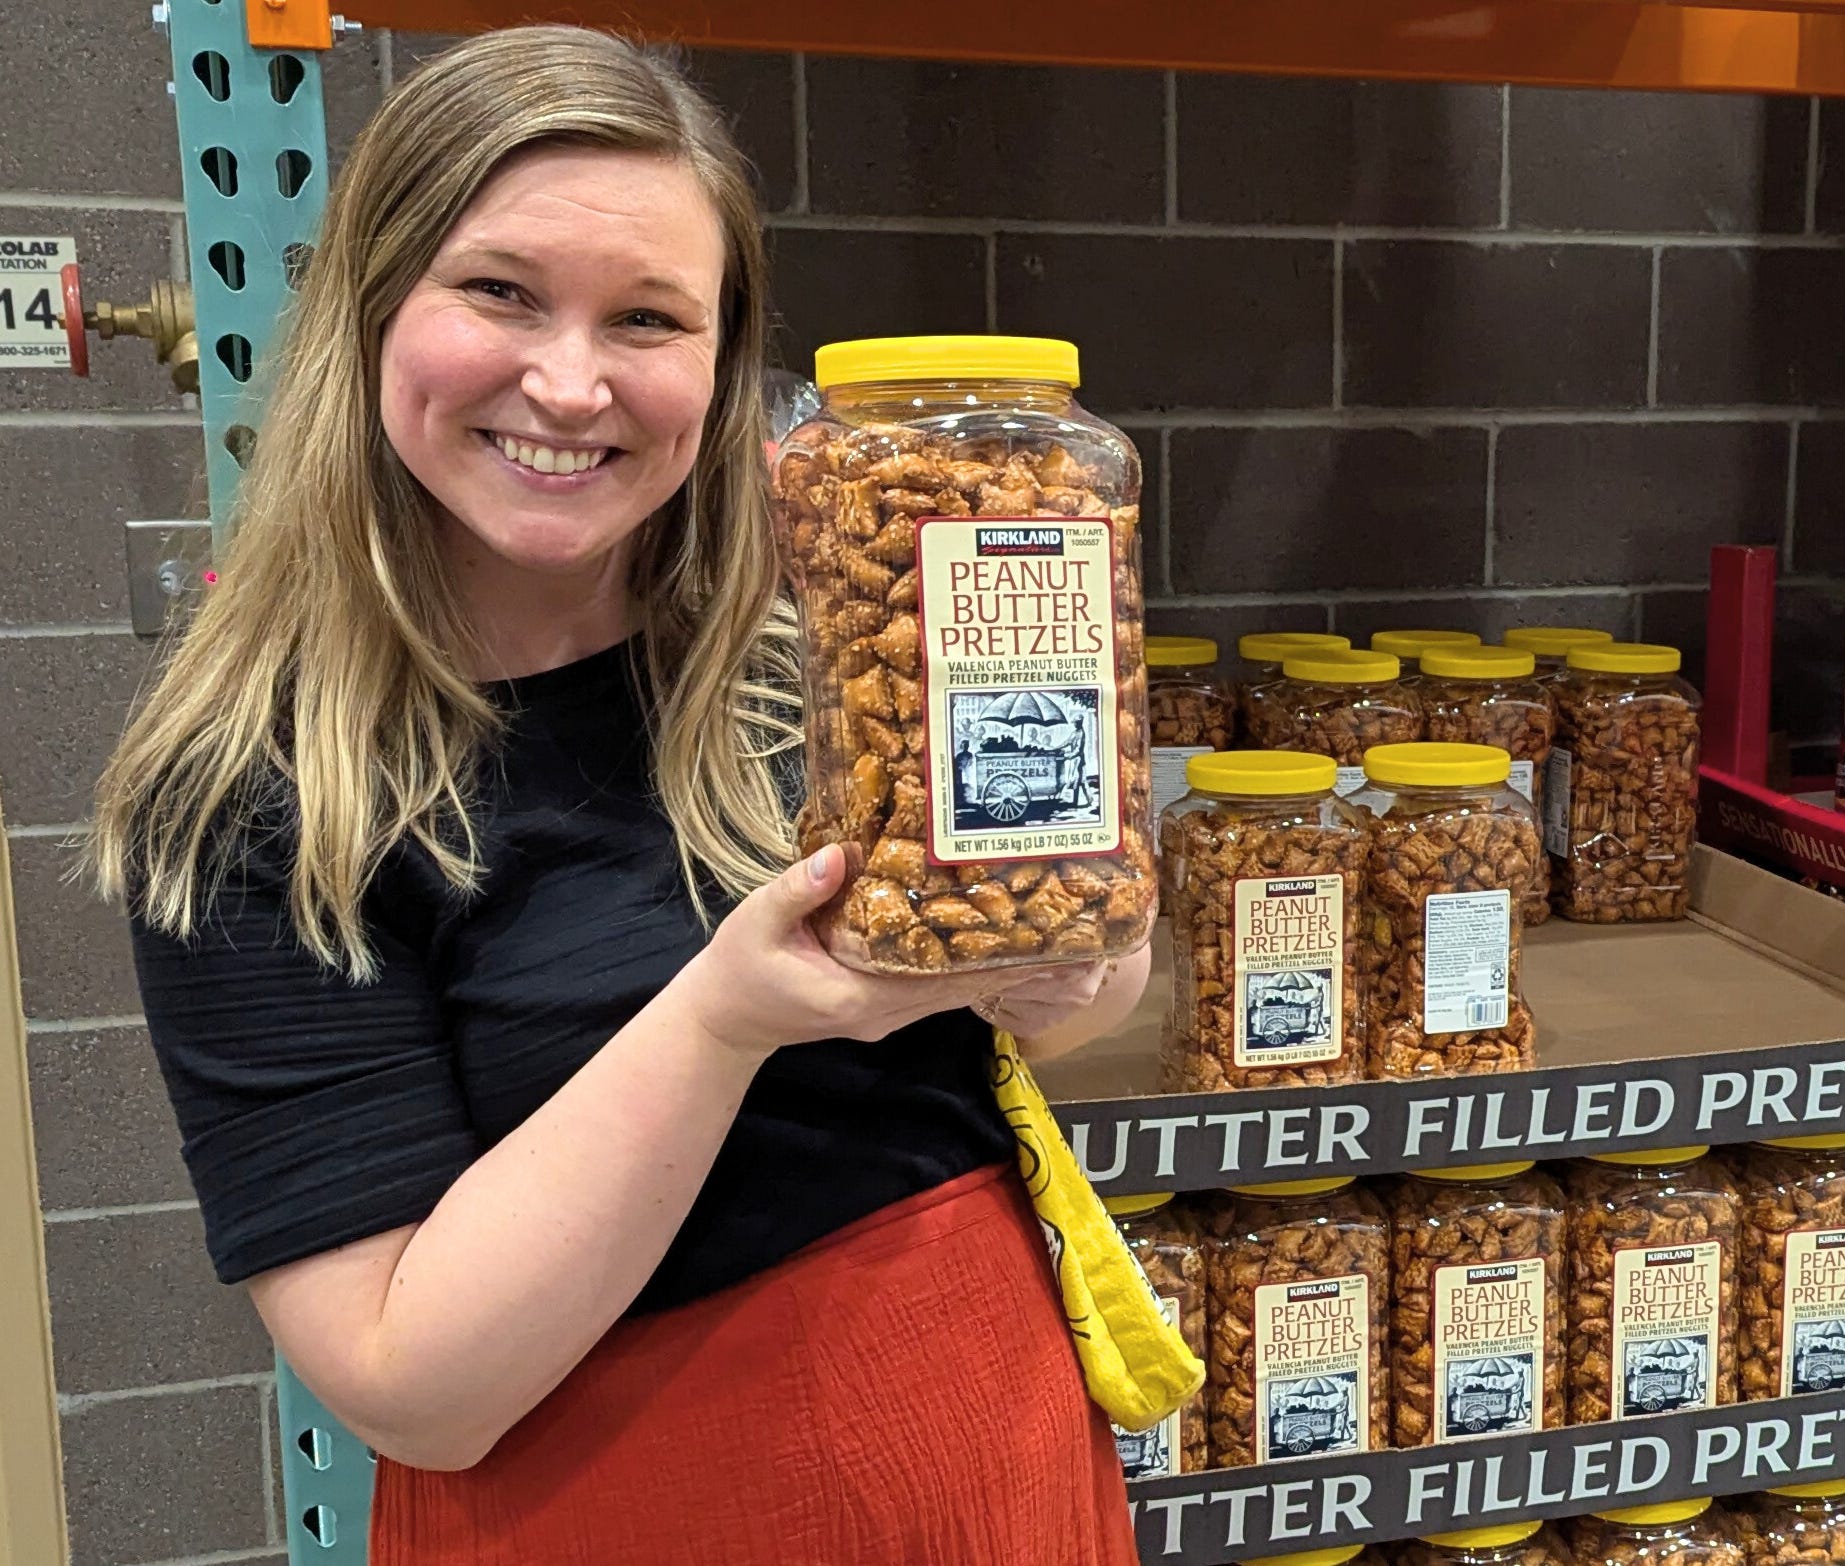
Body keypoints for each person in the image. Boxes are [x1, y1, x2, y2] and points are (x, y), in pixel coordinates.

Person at [90, 26, 1150, 1566]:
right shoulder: (255, 793)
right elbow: (415, 1388)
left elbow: (1052, 1002)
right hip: (609, 1503)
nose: (571, 383)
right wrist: (727, 1016)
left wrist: (1075, 958)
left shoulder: (830, 654)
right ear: (372, 306)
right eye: (501, 292)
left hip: (991, 1455)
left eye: (647, 317)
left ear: (720, 369)